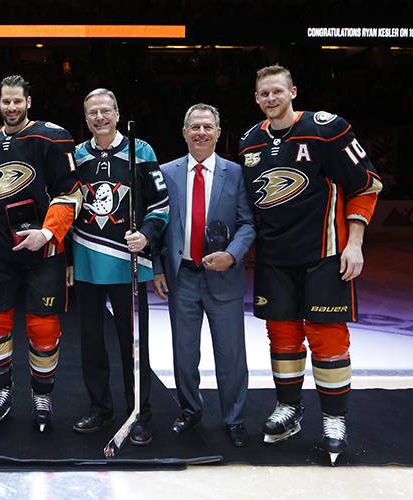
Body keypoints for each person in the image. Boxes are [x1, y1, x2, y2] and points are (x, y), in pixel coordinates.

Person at [238, 65, 382, 463]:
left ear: (293, 92)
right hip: (274, 259)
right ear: (256, 98)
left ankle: (334, 419)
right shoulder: (249, 143)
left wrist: (355, 244)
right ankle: (290, 408)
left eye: (278, 91)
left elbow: (366, 184)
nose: (271, 98)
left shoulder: (326, 128)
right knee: (282, 337)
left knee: (327, 337)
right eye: (264, 93)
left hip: (325, 254)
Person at [0, 75, 81, 432]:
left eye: (17, 101)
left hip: (43, 249)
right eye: (6, 101)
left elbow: (71, 193)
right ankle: (1, 390)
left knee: (43, 327)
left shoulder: (53, 136)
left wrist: (48, 233)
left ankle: (42, 394)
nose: (11, 107)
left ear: (29, 102)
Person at [70, 88, 169, 446]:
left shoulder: (140, 150)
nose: (99, 117)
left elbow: (160, 203)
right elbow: (65, 205)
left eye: (105, 111)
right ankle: (100, 407)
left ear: (117, 112)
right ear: (86, 117)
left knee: (133, 343)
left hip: (128, 262)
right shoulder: (77, 155)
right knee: (92, 342)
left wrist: (146, 234)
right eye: (92, 112)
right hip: (86, 258)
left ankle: (139, 412)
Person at [154, 103, 255, 448]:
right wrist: (156, 268)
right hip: (182, 276)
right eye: (194, 127)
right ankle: (190, 409)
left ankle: (234, 417)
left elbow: (247, 223)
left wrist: (232, 254)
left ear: (217, 133)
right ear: (184, 132)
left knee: (231, 354)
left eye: (207, 127)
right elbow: (156, 224)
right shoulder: (166, 172)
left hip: (223, 276)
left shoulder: (236, 173)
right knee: (184, 352)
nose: (200, 133)